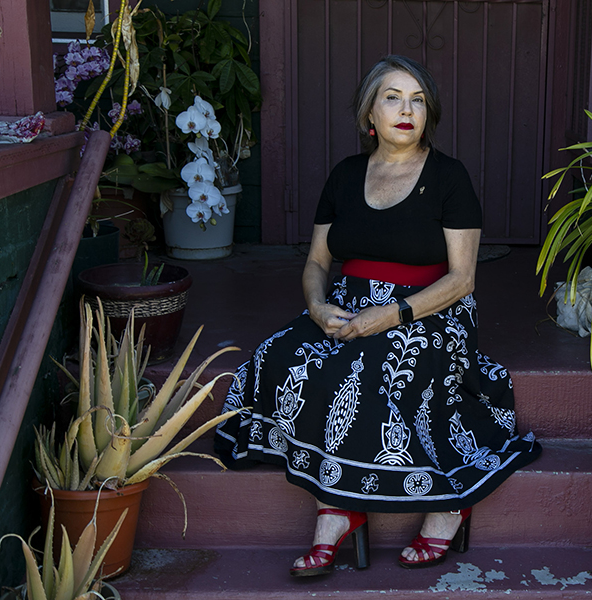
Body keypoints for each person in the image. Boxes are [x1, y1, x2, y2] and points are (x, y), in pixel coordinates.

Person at [214, 54, 541, 577]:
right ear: (371, 112)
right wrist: (318, 307)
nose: (406, 110)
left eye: (418, 100)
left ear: (429, 114)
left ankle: (442, 502)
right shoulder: (345, 175)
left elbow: (462, 279)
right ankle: (339, 509)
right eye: (393, 97)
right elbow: (318, 262)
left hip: (430, 308)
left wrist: (394, 313)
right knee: (285, 352)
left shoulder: (450, 177)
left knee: (364, 362)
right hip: (350, 300)